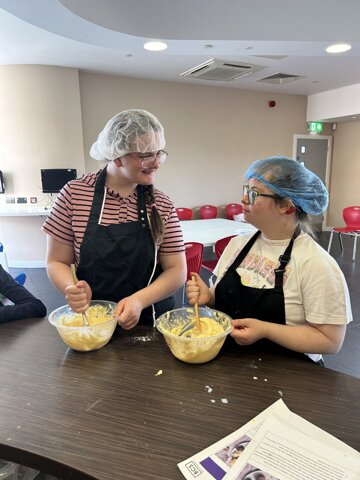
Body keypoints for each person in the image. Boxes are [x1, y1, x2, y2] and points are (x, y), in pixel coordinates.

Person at [187, 156, 352, 364]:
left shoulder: (317, 264)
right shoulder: (237, 245)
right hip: (232, 365)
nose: (244, 199)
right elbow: (221, 295)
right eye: (245, 190)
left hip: (289, 375)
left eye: (253, 193)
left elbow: (330, 341)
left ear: (287, 206)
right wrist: (208, 297)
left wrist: (265, 330)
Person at [43, 109, 186, 329]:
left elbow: (177, 270)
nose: (156, 163)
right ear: (117, 155)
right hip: (93, 319)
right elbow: (56, 261)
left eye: (159, 153)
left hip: (150, 320)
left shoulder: (162, 204)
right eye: (145, 155)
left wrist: (139, 300)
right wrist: (72, 289)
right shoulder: (74, 194)